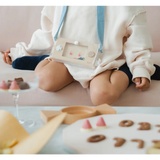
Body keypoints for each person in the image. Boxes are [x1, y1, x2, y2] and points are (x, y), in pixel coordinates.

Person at [1, 3, 160, 106]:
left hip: (106, 60)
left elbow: (138, 38)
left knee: (102, 95)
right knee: (44, 80)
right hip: (66, 56)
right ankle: (40, 59)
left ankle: (127, 69)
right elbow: (49, 31)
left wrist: (140, 68)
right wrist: (22, 52)